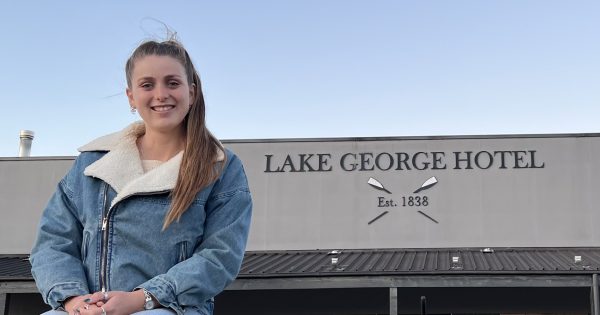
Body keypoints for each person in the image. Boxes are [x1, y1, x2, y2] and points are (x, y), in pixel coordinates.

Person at [29, 37, 253, 315]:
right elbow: (53, 242)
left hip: (173, 308)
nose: (161, 94)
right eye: (147, 85)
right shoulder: (92, 163)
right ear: (131, 97)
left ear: (192, 92)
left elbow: (220, 256)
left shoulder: (220, 167)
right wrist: (75, 301)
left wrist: (143, 298)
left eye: (172, 83)